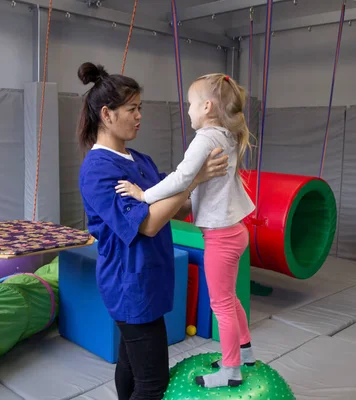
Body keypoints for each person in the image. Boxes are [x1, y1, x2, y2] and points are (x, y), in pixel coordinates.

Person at [76, 62, 229, 400]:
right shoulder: (97, 170)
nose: (139, 115)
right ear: (107, 114)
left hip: (150, 279)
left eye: (140, 108)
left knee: (132, 364)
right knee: (153, 382)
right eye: (132, 109)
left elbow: (177, 205)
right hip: (129, 285)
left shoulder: (139, 160)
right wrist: (195, 177)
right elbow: (148, 223)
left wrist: (211, 187)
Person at [115, 73, 256, 389]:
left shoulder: (206, 138)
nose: (188, 110)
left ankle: (231, 370)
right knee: (229, 298)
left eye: (191, 104)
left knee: (221, 304)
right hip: (235, 231)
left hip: (220, 236)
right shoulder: (228, 135)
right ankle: (244, 351)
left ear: (207, 107)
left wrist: (143, 195)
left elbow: (181, 178)